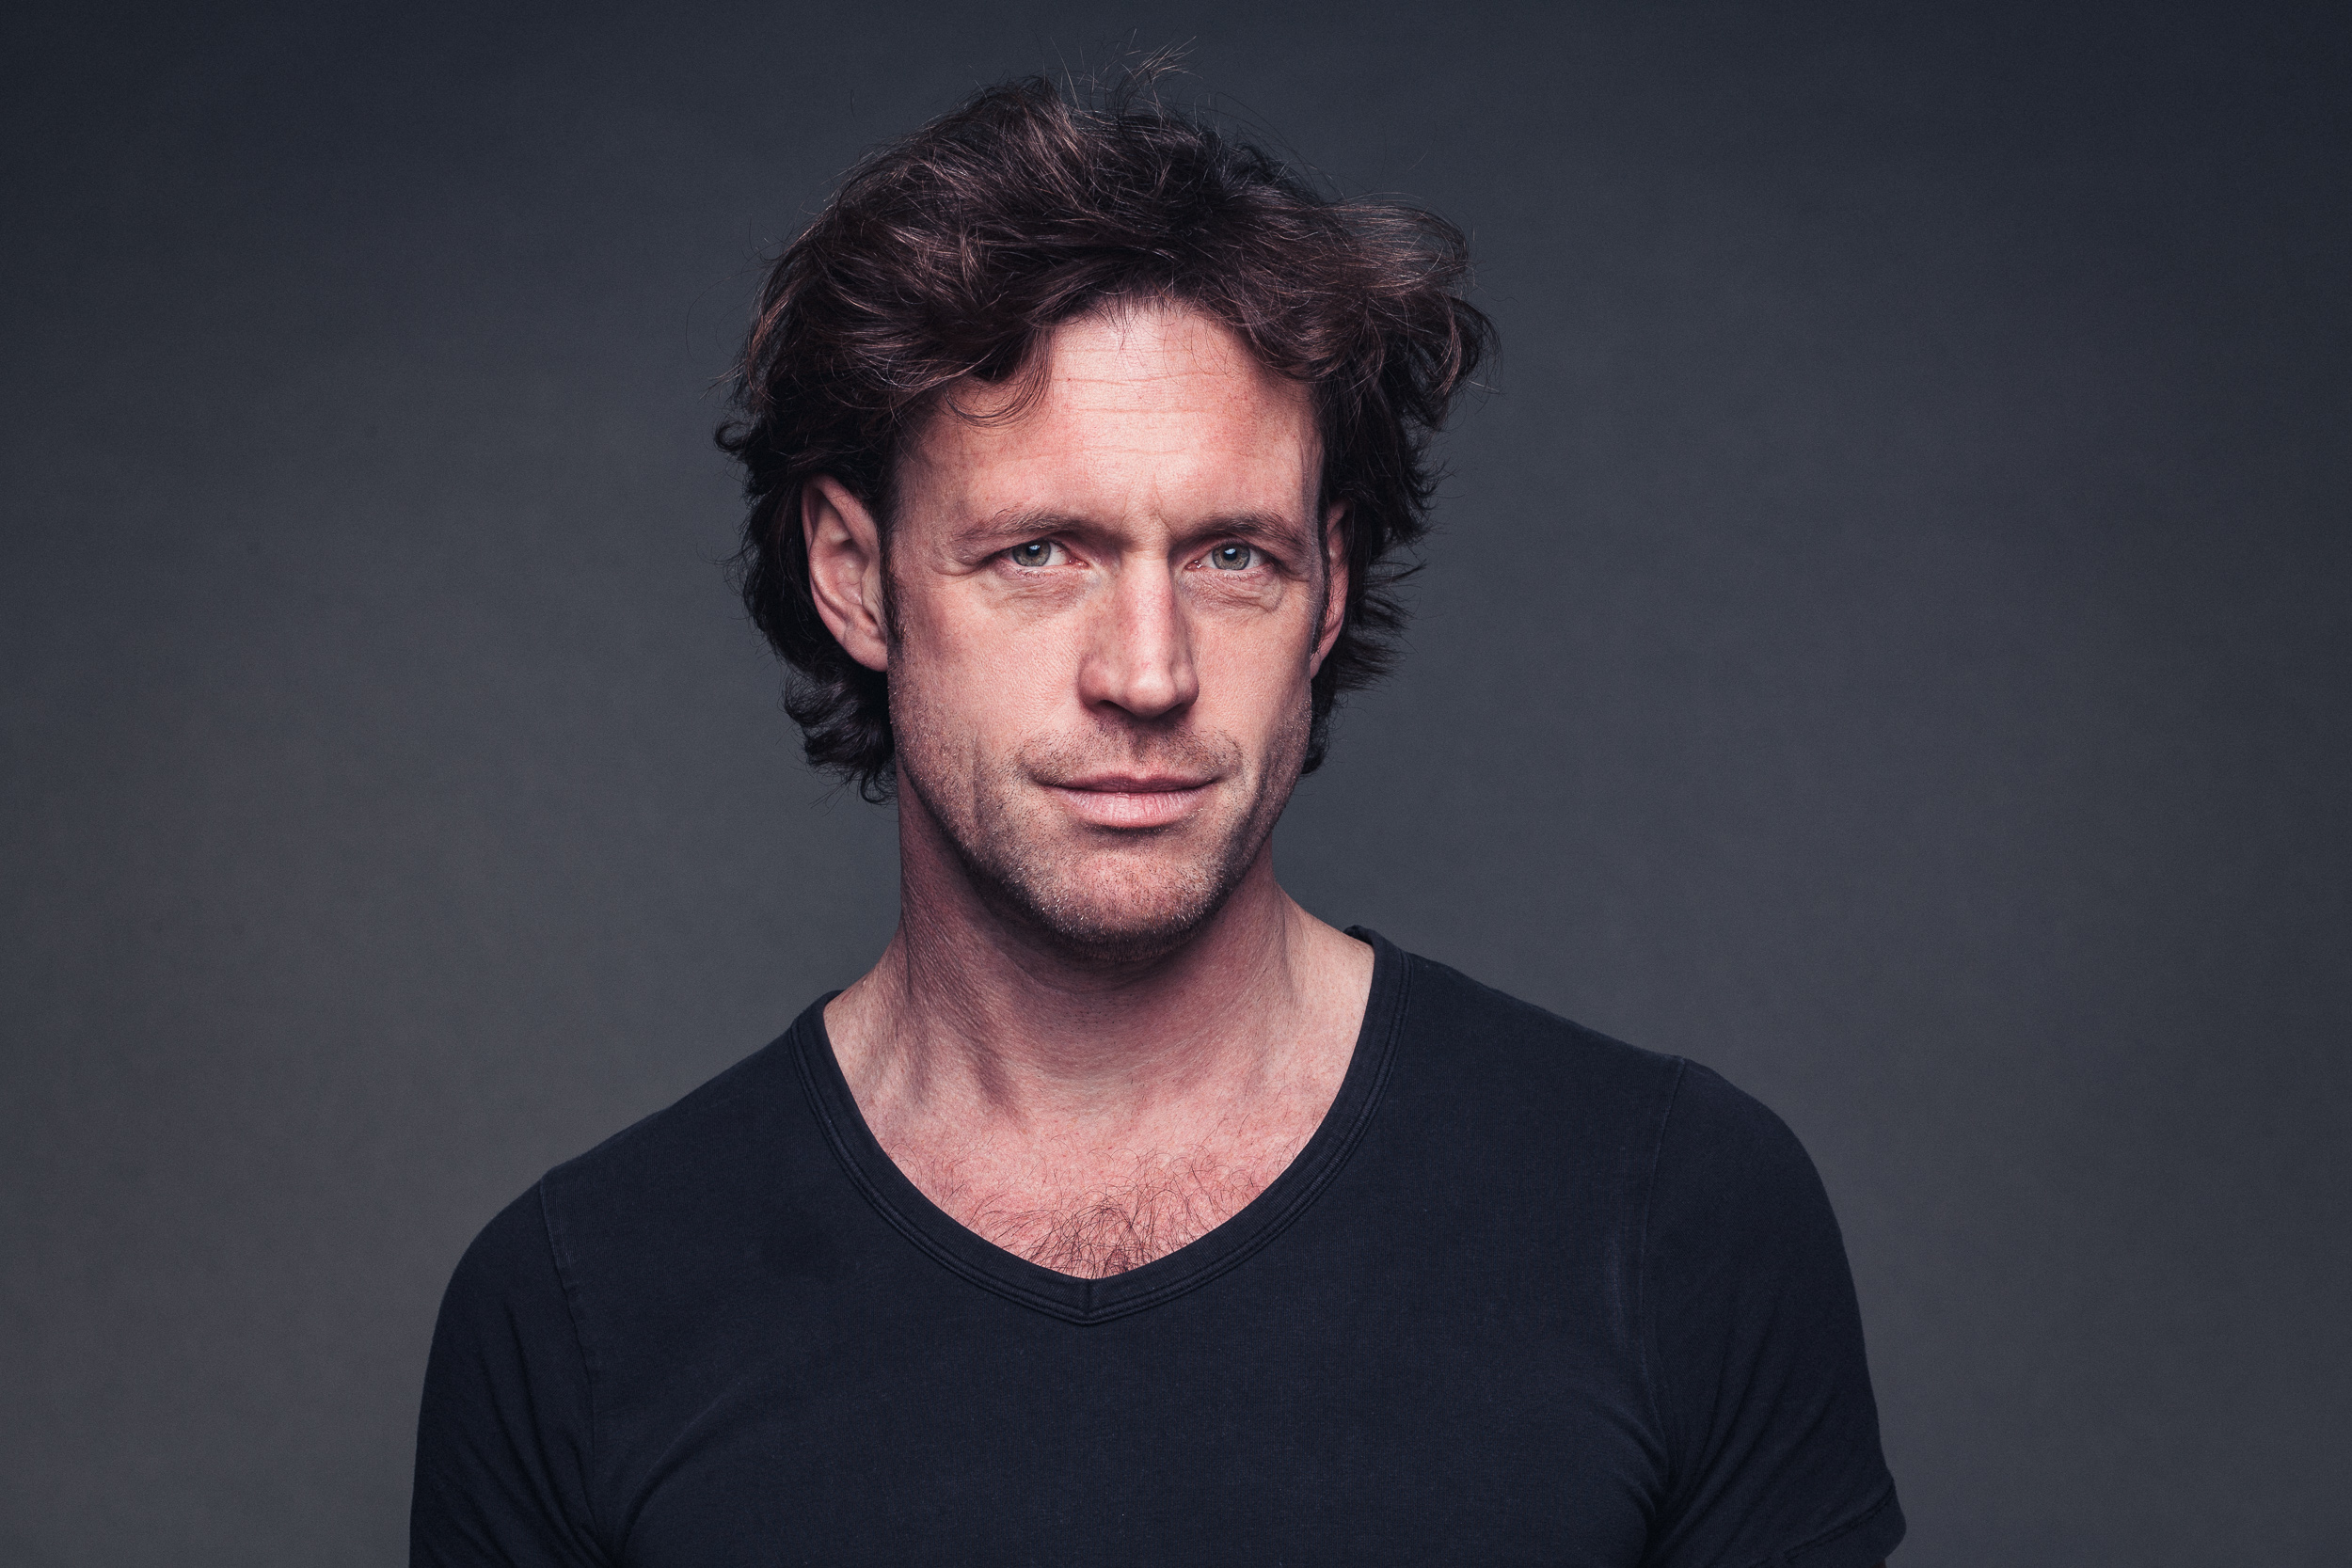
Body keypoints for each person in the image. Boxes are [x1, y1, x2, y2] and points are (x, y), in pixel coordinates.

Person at [411, 70, 1903, 1568]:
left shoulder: (1670, 1213)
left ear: (1327, 586)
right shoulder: (580, 1307)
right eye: (1039, 552)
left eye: (1230, 556)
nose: (1148, 672)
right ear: (856, 579)